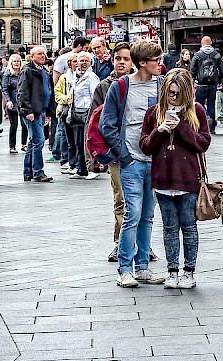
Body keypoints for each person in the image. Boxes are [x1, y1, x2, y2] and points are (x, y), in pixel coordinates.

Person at [100, 41, 165, 288]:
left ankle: (142, 267)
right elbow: (107, 124)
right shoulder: (121, 86)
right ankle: (124, 268)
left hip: (155, 160)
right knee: (133, 213)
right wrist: (124, 155)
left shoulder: (162, 85)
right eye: (155, 60)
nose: (160, 63)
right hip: (132, 160)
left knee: (148, 215)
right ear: (142, 63)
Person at [139, 68, 210, 289]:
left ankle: (189, 271)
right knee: (169, 227)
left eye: (178, 93)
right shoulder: (154, 112)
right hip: (163, 180)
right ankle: (172, 271)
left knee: (189, 227)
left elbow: (203, 142)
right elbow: (145, 146)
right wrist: (159, 131)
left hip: (189, 180)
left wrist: (181, 127)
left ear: (187, 93)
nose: (173, 97)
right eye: (170, 93)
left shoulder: (195, 111)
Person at [89, 42, 132, 262]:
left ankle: (141, 244)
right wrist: (95, 157)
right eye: (118, 59)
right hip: (115, 153)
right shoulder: (105, 86)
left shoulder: (140, 83)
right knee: (121, 199)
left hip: (139, 151)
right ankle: (120, 243)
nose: (121, 62)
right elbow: (94, 124)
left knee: (141, 202)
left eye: (126, 58)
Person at [18, 46, 54, 183]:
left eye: (43, 53)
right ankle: (38, 172)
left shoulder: (44, 71)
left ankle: (28, 171)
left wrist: (49, 112)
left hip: (42, 110)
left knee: (33, 141)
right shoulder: (28, 71)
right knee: (38, 141)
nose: (42, 56)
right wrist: (27, 111)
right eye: (39, 54)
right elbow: (22, 92)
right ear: (32, 56)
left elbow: (49, 91)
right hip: (33, 111)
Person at [66, 52, 100, 180]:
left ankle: (92, 168)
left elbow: (95, 96)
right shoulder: (76, 76)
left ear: (90, 63)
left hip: (87, 112)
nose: (83, 63)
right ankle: (81, 169)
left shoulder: (92, 77)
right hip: (77, 112)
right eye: (81, 61)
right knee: (78, 142)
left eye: (86, 60)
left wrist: (93, 114)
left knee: (87, 142)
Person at [190, 36, 223, 134]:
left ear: (202, 43)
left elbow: (192, 70)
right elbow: (222, 70)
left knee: (199, 104)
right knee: (211, 104)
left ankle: (203, 123)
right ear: (210, 43)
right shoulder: (216, 54)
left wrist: (191, 82)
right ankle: (212, 127)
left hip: (201, 84)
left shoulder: (198, 55)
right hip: (213, 84)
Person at [55, 54, 79, 173]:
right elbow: (57, 94)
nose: (77, 63)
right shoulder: (64, 78)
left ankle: (79, 164)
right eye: (74, 61)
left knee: (78, 140)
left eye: (78, 61)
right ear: (69, 64)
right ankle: (71, 163)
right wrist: (67, 99)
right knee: (69, 139)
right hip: (66, 112)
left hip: (79, 112)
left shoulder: (83, 76)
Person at [2, 54, 28, 154]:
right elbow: (5, 89)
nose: (16, 63)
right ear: (11, 63)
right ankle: (12, 146)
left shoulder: (23, 74)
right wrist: (8, 101)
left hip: (22, 102)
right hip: (12, 102)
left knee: (24, 124)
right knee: (14, 125)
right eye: (14, 61)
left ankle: (24, 144)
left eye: (18, 61)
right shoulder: (7, 74)